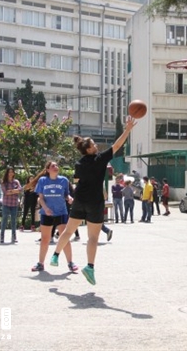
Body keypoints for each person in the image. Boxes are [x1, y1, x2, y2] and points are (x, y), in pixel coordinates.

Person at [50, 116, 137, 285]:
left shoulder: (79, 163)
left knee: (68, 231)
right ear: (88, 149)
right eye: (94, 145)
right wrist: (127, 129)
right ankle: (89, 267)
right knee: (93, 237)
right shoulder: (100, 158)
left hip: (80, 199)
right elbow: (117, 145)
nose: (96, 147)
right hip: (94, 202)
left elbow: (77, 181)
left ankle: (55, 255)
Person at [29, 161, 78, 273]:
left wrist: (69, 198)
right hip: (47, 213)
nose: (56, 167)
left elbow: (66, 194)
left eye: (56, 165)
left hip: (61, 211)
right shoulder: (43, 181)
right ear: (48, 170)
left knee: (64, 237)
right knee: (45, 239)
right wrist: (45, 208)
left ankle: (70, 263)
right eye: (53, 166)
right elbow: (40, 198)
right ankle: (40, 263)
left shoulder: (64, 180)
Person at [0, 167, 22, 244]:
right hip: (6, 203)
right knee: (4, 220)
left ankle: (14, 236)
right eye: (9, 172)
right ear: (7, 173)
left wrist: (11, 191)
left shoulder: (16, 182)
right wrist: (14, 191)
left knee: (13, 221)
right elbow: (5, 192)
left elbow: (20, 190)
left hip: (14, 204)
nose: (11, 173)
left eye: (12, 172)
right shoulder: (4, 182)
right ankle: (2, 236)